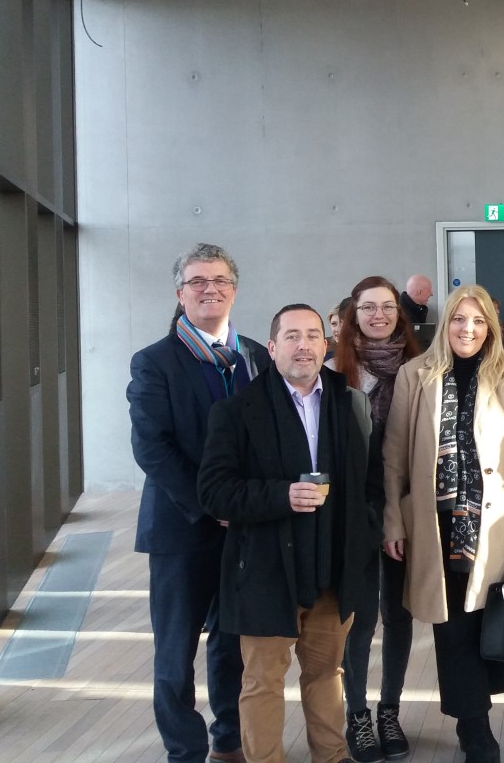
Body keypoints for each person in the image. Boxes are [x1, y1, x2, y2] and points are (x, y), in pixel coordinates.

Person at [197, 304, 380, 763]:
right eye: (293, 336)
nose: (304, 345)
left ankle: (332, 757)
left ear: (327, 344)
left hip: (333, 575)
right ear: (273, 348)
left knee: (326, 675)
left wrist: (364, 541)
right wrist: (281, 496)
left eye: (314, 336)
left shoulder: (350, 402)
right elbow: (214, 492)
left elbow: (370, 486)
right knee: (262, 683)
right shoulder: (237, 411)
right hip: (264, 574)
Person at [381, 284, 504, 763]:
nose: (467, 329)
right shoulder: (416, 374)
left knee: (485, 623)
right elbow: (394, 457)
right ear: (445, 323)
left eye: (476, 321)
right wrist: (394, 521)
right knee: (451, 628)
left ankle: (476, 716)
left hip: (496, 525)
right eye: (457, 319)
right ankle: (476, 730)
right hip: (437, 525)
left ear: (490, 327)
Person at [127, 242, 269, 763]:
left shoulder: (256, 354)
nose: (210, 289)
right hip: (182, 526)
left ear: (234, 290)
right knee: (175, 650)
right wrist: (212, 504)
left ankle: (228, 739)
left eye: (220, 281)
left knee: (232, 643)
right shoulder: (154, 361)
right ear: (180, 294)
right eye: (197, 282)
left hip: (246, 528)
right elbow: (152, 448)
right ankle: (184, 751)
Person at [327, 277, 418, 762]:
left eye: (387, 306)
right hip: (353, 513)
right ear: (354, 314)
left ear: (399, 313)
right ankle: (357, 716)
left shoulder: (419, 368)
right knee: (360, 618)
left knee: (398, 614)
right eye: (368, 307)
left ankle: (390, 710)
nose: (379, 315)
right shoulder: (335, 373)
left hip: (405, 508)